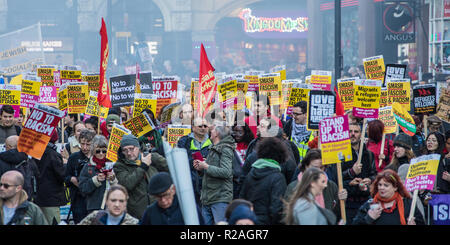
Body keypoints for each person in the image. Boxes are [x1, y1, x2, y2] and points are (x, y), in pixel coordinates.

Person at [326, 122, 377, 222]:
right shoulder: (339, 154)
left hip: (365, 202)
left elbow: (374, 174)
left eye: (356, 131)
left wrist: (369, 180)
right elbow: (334, 177)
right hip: (346, 203)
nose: (353, 134)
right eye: (350, 131)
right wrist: (351, 172)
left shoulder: (369, 154)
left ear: (361, 134)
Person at [114, 134, 168, 220]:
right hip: (138, 213)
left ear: (138, 147)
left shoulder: (152, 157)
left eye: (131, 149)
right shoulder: (119, 166)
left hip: (158, 208)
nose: (128, 153)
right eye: (125, 150)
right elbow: (128, 184)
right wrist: (143, 166)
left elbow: (171, 169)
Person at [284, 149, 347, 218]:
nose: (318, 171)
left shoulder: (331, 186)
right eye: (315, 167)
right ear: (306, 167)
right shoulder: (293, 187)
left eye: (321, 167)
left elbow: (336, 215)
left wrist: (341, 200)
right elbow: (286, 215)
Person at [239, 137, 287, 225]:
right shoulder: (278, 177)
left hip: (249, 220)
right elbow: (276, 208)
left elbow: (242, 199)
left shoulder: (250, 173)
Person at [193, 125, 234, 225]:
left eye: (213, 129)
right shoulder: (213, 148)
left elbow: (226, 172)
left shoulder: (225, 149)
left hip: (220, 198)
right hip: (208, 198)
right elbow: (211, 171)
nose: (210, 131)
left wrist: (206, 166)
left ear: (217, 134)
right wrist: (200, 168)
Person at [352, 169, 424, 225]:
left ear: (395, 187)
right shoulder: (371, 204)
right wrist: (368, 219)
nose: (381, 188)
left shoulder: (407, 204)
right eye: (380, 185)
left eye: (386, 185)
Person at [243, 117, 297, 184]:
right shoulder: (253, 143)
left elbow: (290, 168)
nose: (258, 127)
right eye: (259, 125)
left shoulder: (283, 145)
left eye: (262, 126)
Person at [34, 130, 67, 225]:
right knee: (53, 222)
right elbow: (61, 175)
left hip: (38, 196)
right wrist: (64, 163)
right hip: (52, 198)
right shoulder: (53, 154)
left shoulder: (35, 152)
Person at [79, 135, 118, 214]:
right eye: (98, 151)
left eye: (104, 151)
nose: (101, 153)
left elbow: (121, 188)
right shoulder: (88, 166)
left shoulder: (113, 165)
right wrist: (95, 180)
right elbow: (83, 189)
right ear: (93, 151)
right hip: (94, 207)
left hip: (112, 207)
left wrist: (113, 179)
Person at [177, 117, 212, 204]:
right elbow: (180, 161)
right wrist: (195, 161)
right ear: (193, 127)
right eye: (200, 126)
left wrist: (208, 162)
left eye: (205, 126)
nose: (203, 128)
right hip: (189, 183)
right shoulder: (184, 141)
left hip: (208, 183)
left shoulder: (213, 141)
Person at [64, 129, 96, 223]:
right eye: (82, 144)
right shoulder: (73, 158)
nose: (85, 147)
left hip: (93, 200)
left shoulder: (97, 157)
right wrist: (72, 179)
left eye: (88, 144)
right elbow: (66, 177)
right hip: (78, 200)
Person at [231, 121, 254, 199]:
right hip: (234, 182)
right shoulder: (229, 145)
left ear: (245, 132)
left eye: (240, 132)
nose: (237, 134)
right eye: (235, 131)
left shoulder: (251, 145)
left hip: (248, 180)